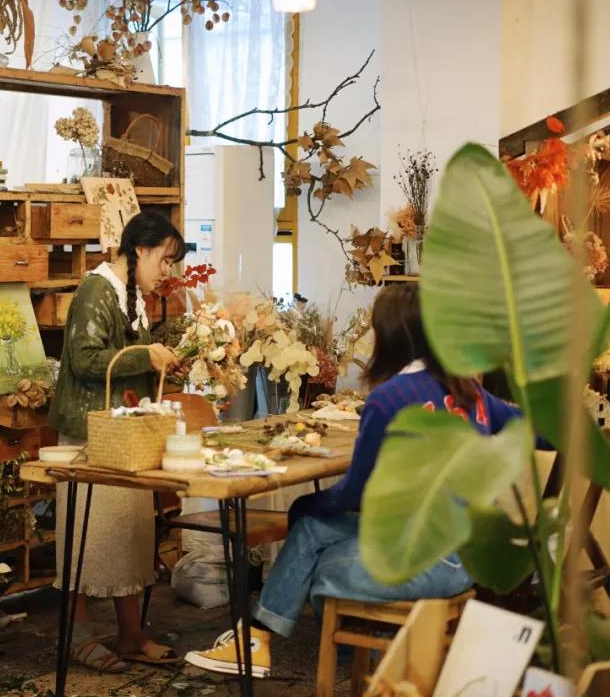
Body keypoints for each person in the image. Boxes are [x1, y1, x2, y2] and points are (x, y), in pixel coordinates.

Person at [185, 282, 530, 678]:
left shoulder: (390, 398)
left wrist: (310, 504)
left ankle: (347, 650)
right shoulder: (470, 393)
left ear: (390, 337)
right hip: (463, 554)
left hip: (426, 563)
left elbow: (354, 494)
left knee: (315, 560)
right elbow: (536, 430)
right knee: (310, 529)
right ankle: (258, 640)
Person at [48, 211, 186, 673]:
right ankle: (76, 637)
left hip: (123, 436)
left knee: (129, 536)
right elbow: (85, 359)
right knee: (87, 538)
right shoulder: (96, 290)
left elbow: (123, 358)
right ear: (140, 249)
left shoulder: (132, 297)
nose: (167, 271)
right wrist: (145, 355)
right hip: (91, 435)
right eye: (164, 260)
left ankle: (130, 634)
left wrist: (163, 360)